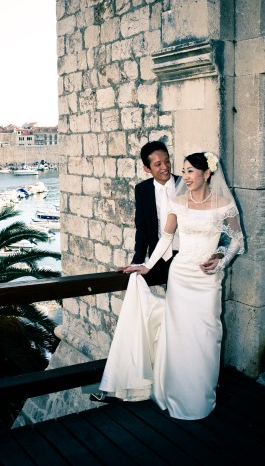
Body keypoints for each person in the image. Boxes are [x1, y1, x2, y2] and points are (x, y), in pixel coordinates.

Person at [95, 151, 245, 420]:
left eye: (190, 171)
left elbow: (236, 239)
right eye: (183, 171)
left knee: (207, 335)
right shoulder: (178, 202)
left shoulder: (224, 204)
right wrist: (146, 266)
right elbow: (166, 238)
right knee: (180, 337)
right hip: (181, 276)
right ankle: (177, 395)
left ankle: (200, 397)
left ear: (207, 173)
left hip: (208, 279)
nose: (184, 176)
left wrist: (221, 260)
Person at [117, 141, 224, 286]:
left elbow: (212, 222)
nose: (165, 167)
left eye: (167, 161)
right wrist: (138, 262)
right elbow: (142, 230)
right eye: (158, 164)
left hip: (188, 256)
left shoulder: (188, 184)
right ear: (147, 168)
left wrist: (219, 254)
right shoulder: (142, 190)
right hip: (158, 258)